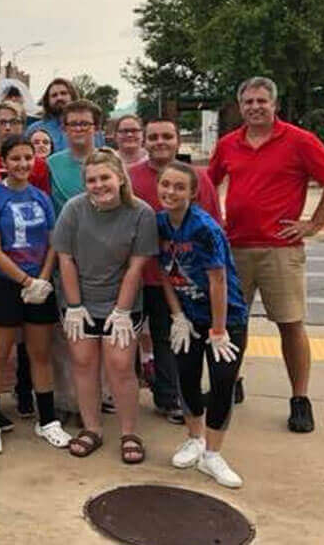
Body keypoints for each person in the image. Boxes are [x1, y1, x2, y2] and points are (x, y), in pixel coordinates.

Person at [208, 76, 324, 433]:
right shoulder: (228, 144)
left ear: (274, 105)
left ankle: (299, 399)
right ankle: (231, 381)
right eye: (249, 102)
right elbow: (210, 183)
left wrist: (314, 223)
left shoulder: (299, 141)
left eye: (261, 101)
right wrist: (214, 223)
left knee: (290, 323)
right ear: (240, 107)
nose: (255, 107)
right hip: (235, 247)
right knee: (232, 323)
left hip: (280, 249)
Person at [52, 148, 158, 463]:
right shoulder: (73, 209)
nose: (99, 185)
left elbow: (136, 267)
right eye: (91, 180)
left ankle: (129, 432)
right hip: (80, 299)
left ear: (120, 178)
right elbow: (65, 258)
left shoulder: (141, 212)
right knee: (83, 363)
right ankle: (92, 428)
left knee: (121, 366)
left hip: (121, 300)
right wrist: (74, 305)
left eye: (105, 178)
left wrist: (122, 311)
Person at [0, 136, 72, 454]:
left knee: (39, 354)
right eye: (15, 158)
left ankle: (47, 420)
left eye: (27, 158)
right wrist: (25, 281)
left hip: (39, 284)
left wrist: (42, 279)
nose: (22, 164)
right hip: (5, 284)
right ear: (4, 160)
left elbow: (53, 241)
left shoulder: (41, 198)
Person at [156, 162, 248, 488]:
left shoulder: (204, 228)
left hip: (225, 317)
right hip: (188, 317)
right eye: (165, 184)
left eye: (179, 187)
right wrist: (177, 315)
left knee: (223, 381)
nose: (170, 192)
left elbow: (219, 280)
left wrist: (219, 329)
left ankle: (213, 453)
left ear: (193, 193)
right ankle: (194, 438)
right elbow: (164, 274)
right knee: (187, 377)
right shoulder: (160, 224)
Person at [129, 119, 223, 424]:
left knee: (180, 337)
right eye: (153, 136)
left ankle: (181, 396)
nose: (160, 141)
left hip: (183, 277)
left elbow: (213, 226)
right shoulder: (131, 178)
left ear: (177, 140)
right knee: (144, 338)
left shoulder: (197, 178)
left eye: (167, 136)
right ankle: (155, 394)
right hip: (141, 274)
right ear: (144, 141)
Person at [48, 100, 103, 214]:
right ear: (64, 129)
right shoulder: (51, 164)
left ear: (96, 128)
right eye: (73, 124)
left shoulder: (111, 162)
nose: (78, 129)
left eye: (84, 124)